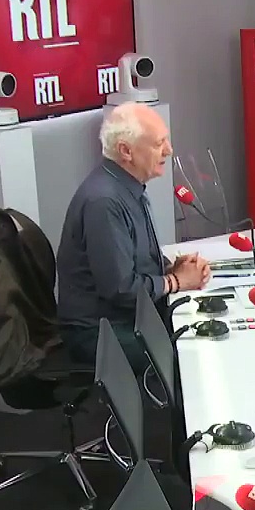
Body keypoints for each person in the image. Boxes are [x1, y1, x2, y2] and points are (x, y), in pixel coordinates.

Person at [57, 102, 211, 371]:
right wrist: (176, 281)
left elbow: (136, 260)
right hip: (100, 332)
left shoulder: (125, 187)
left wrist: (172, 268)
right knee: (192, 356)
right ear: (126, 151)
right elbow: (121, 290)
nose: (169, 150)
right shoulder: (104, 202)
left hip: (127, 319)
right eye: (159, 143)